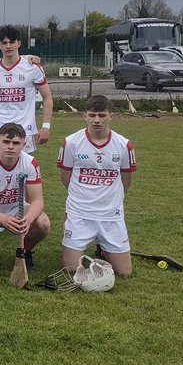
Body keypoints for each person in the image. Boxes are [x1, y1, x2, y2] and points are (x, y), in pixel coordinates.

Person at [57, 94, 136, 278]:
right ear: (85, 116)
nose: (96, 120)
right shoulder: (71, 142)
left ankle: (103, 248)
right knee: (70, 268)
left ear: (111, 116)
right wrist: (80, 199)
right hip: (80, 213)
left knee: (124, 272)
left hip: (111, 215)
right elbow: (65, 177)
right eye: (92, 115)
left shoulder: (124, 145)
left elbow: (126, 179)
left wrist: (112, 200)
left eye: (101, 115)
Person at [0, 122, 50, 268]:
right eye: (6, 142)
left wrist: (28, 219)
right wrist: (3, 219)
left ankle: (25, 252)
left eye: (16, 143)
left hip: (15, 207)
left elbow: (37, 200)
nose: (10, 146)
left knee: (43, 224)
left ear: (24, 144)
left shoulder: (30, 163)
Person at [0, 25, 53, 153]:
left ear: (18, 43)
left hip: (25, 129)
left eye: (12, 42)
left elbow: (47, 98)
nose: (8, 46)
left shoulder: (33, 68)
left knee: (25, 171)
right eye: (4, 43)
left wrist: (46, 127)